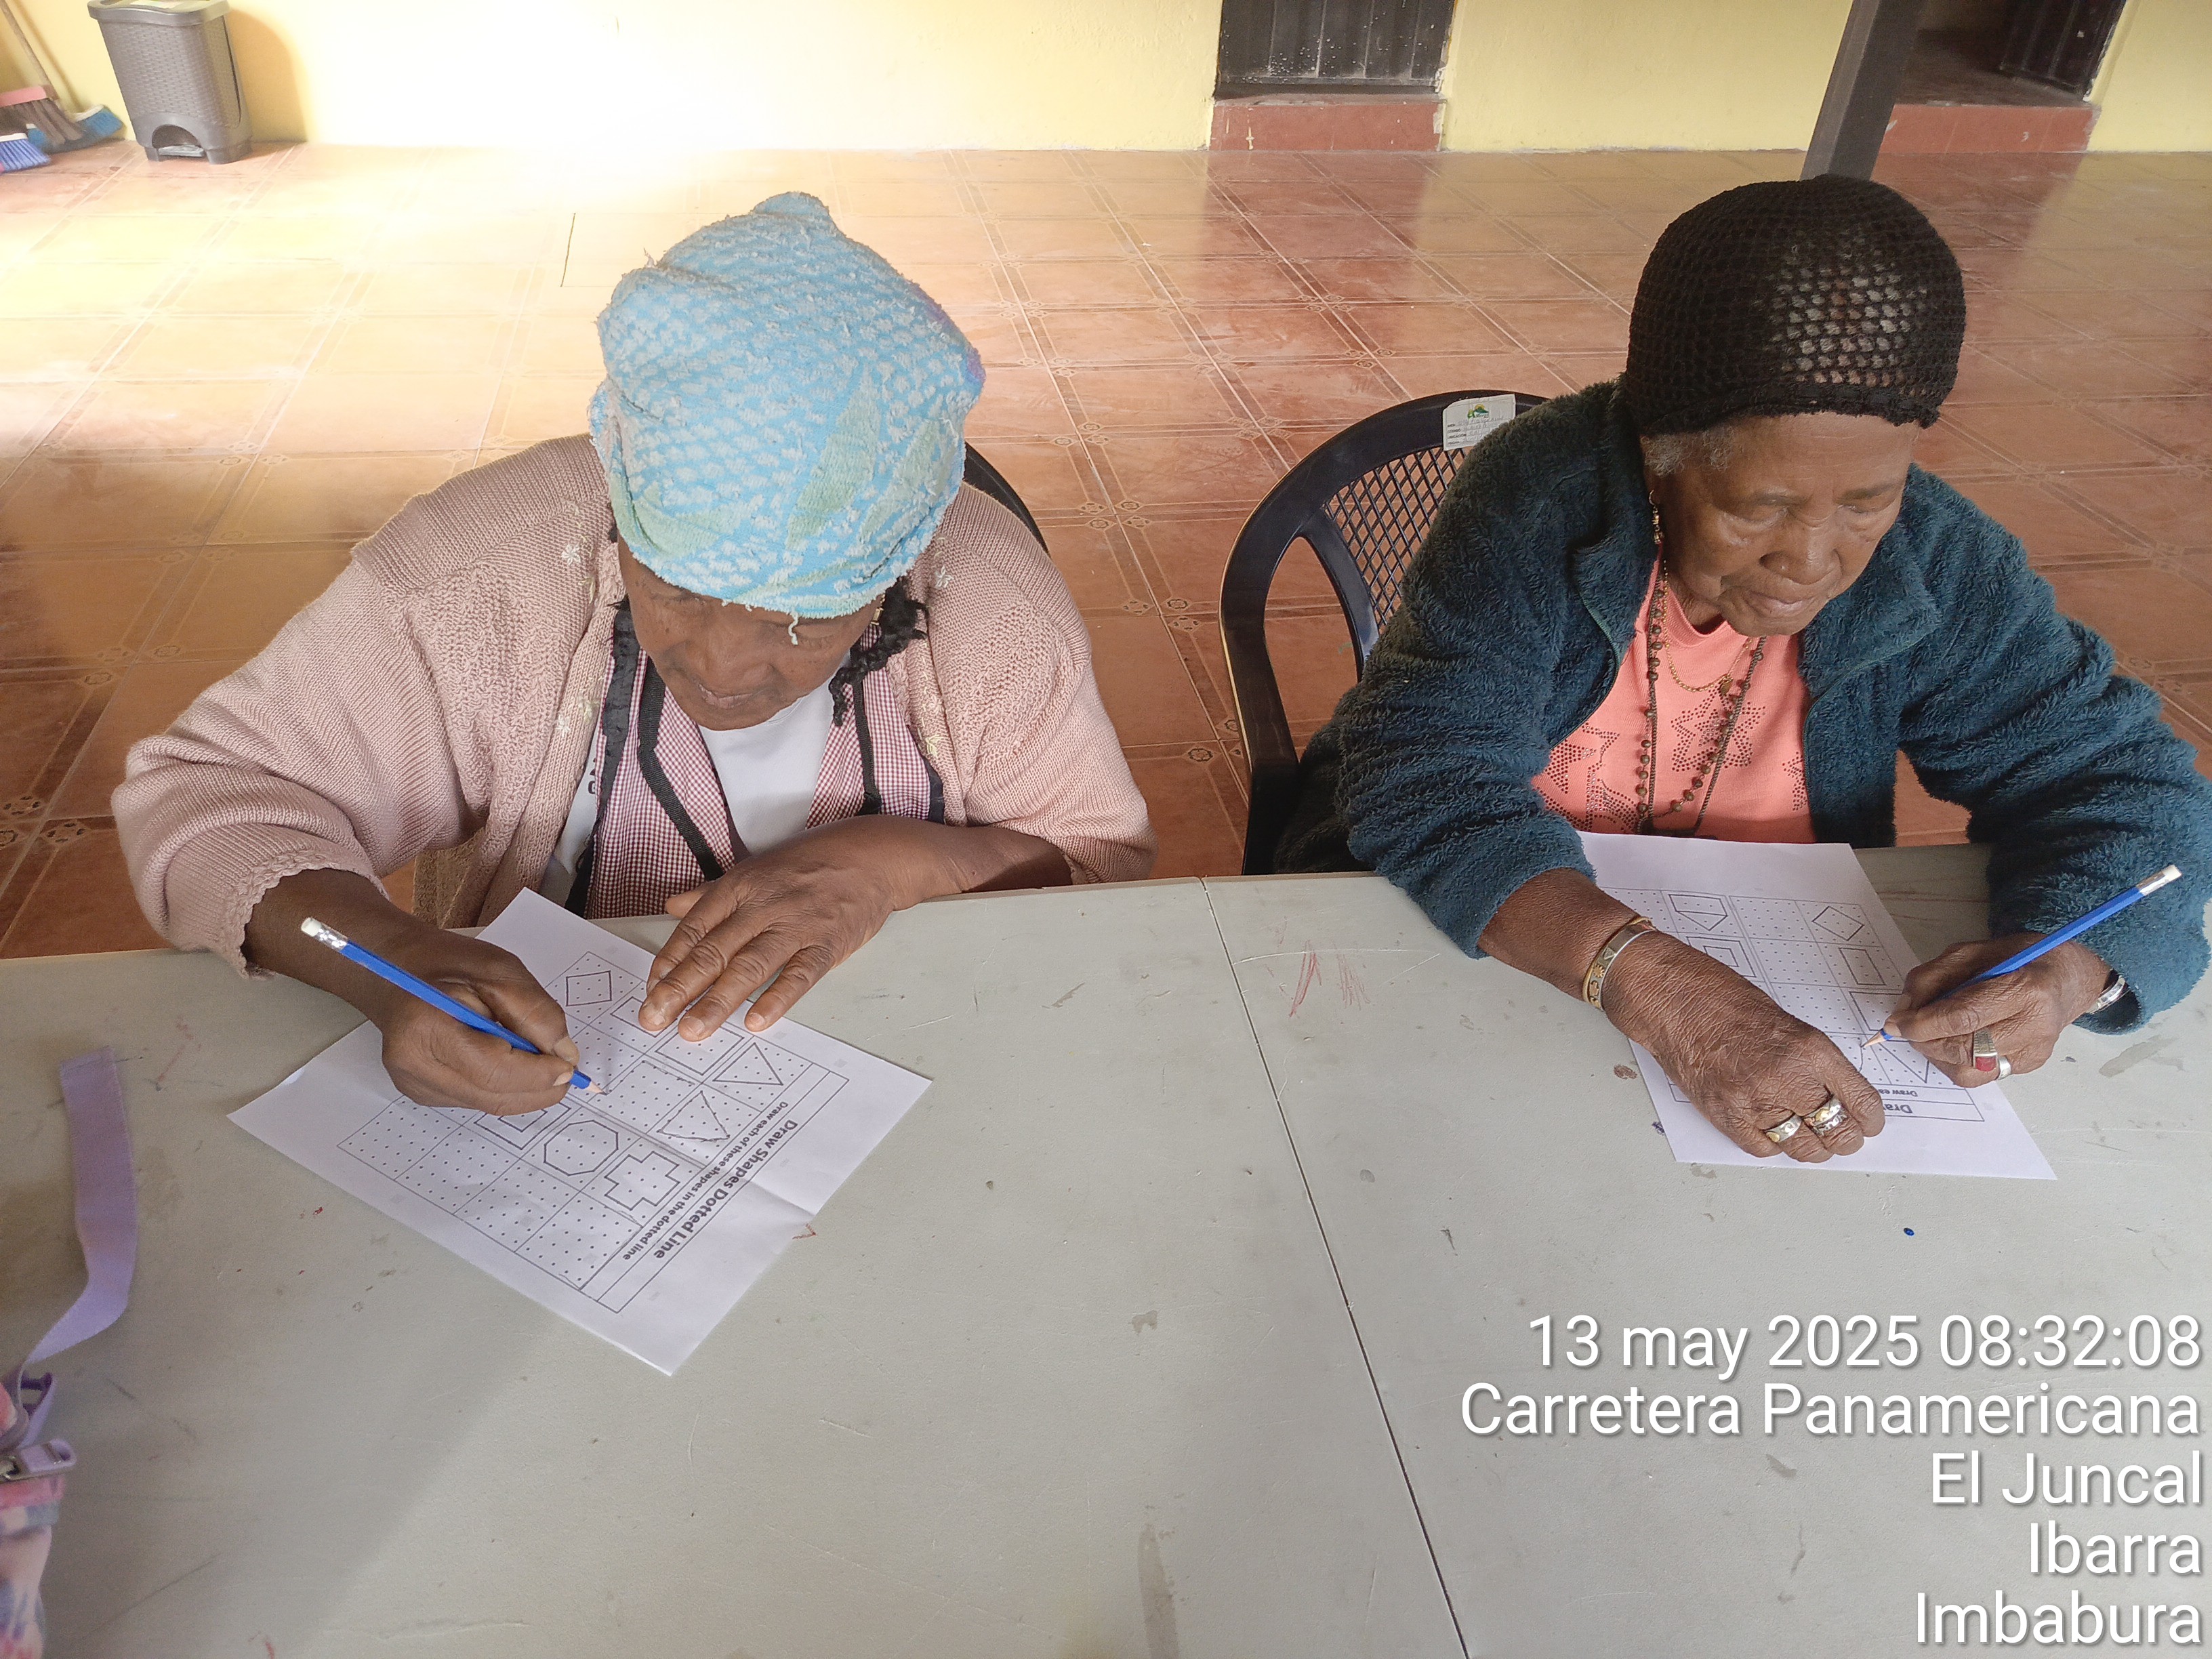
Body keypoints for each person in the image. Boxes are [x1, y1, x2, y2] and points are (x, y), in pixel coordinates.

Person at [117, 194, 1154, 1116]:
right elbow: (204, 798)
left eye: (804, 618)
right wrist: (383, 961)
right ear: (618, 507)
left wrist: (891, 865)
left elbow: (1100, 860)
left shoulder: (993, 605)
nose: (725, 668)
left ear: (893, 572)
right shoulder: (477, 576)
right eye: (674, 586)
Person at [1281, 176, 2212, 1164]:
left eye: (1866, 501)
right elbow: (1423, 775)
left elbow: (2120, 782)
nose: (1810, 560)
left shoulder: (1935, 558)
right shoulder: (1538, 499)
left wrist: (2070, 966)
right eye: (1756, 507)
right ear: (1658, 456)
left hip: (1786, 992)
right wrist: (1652, 980)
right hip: (1487, 948)